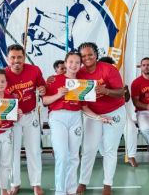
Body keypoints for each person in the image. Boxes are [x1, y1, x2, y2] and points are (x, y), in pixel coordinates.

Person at [43, 52, 109, 195]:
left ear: (80, 65)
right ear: (65, 64)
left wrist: (99, 118)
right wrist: (59, 95)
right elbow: (45, 101)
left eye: (77, 63)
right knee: (62, 155)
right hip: (58, 117)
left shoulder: (82, 84)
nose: (74, 65)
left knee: (74, 155)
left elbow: (84, 107)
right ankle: (60, 190)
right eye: (71, 62)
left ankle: (71, 188)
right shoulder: (54, 80)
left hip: (75, 118)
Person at [76, 42, 126, 195]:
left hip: (114, 111)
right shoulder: (80, 73)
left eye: (90, 54)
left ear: (96, 54)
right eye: (83, 56)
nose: (87, 58)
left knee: (110, 149)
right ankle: (83, 182)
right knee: (89, 149)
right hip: (93, 114)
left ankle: (107, 184)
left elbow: (121, 92)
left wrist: (106, 91)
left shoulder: (109, 69)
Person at [5, 44, 46, 195]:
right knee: (13, 152)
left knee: (34, 150)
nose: (16, 61)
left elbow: (42, 87)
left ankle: (36, 183)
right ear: (7, 59)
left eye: (19, 57)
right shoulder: (2, 75)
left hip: (30, 115)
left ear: (24, 57)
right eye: (13, 57)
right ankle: (15, 183)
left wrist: (43, 89)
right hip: (12, 119)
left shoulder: (34, 70)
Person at [99, 56, 138, 167]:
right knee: (97, 131)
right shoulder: (95, 81)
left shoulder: (119, 81)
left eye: (111, 67)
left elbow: (126, 99)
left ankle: (131, 156)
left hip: (119, 111)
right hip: (101, 113)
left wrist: (124, 91)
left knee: (131, 128)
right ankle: (104, 155)